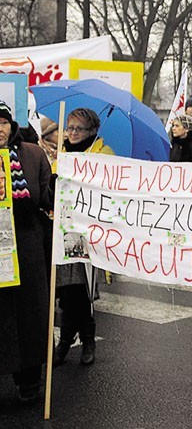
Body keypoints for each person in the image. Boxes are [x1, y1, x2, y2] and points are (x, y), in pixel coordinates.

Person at [0, 101, 53, 402]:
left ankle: (30, 378)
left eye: (4, 122)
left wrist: (60, 187)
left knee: (29, 311)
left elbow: (45, 197)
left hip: (27, 244)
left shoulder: (32, 154)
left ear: (12, 126)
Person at [54, 107, 114, 367]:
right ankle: (76, 340)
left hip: (90, 235)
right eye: (70, 128)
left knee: (82, 290)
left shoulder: (103, 154)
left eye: (79, 128)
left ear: (92, 131)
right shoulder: (61, 154)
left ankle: (74, 342)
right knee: (67, 293)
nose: (73, 133)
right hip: (63, 232)